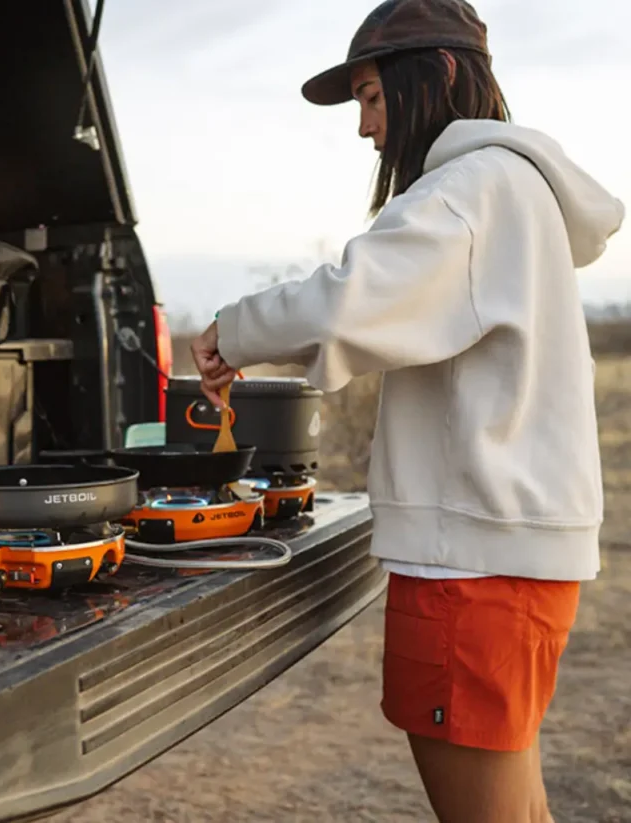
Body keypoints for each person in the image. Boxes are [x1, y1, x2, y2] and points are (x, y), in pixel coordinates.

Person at [189, 0, 625, 821]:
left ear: (443, 74)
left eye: (373, 98)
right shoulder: (515, 193)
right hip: (511, 566)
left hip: (472, 573)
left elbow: (351, 300)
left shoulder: (470, 189)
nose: (365, 128)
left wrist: (232, 330)